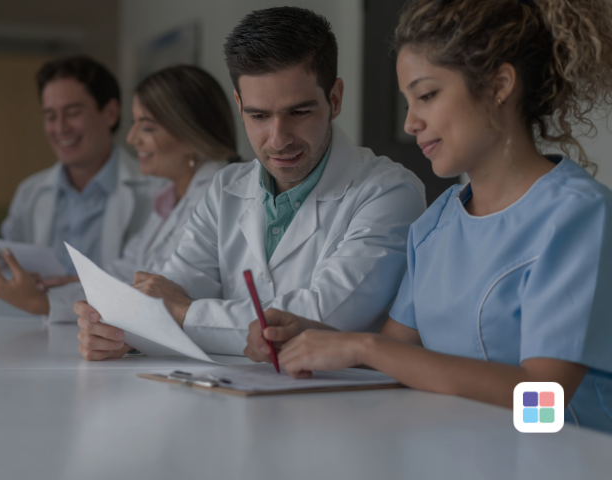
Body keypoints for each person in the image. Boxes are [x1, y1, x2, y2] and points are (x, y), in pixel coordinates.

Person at [244, 0, 612, 434]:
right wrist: (314, 338)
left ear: (499, 84)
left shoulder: (579, 216)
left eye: (427, 95)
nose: (411, 122)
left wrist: (364, 347)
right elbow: (389, 359)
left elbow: (545, 406)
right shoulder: (438, 222)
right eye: (407, 102)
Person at [75, 7, 426, 360]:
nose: (278, 140)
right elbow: (173, 288)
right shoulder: (225, 187)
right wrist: (123, 331)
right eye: (258, 116)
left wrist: (182, 313)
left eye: (299, 112)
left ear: (334, 99)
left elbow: (321, 318)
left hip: (340, 404)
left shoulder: (389, 192)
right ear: (239, 104)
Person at [0, 65, 238, 324]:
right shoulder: (171, 195)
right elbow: (128, 271)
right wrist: (69, 287)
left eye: (146, 127)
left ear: (190, 134)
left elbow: (167, 294)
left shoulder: (214, 196)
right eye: (50, 115)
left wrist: (45, 303)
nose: (131, 139)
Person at [0, 56, 161, 293]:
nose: (61, 128)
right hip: (40, 323)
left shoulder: (156, 190)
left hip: (112, 327)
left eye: (72, 113)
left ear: (110, 113)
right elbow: (7, 268)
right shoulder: (30, 192)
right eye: (50, 116)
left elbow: (154, 280)